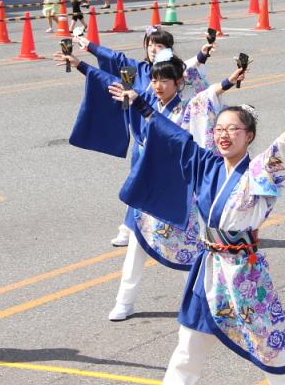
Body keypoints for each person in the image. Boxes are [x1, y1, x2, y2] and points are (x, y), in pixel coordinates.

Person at [116, 87, 285, 385]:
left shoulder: (258, 169)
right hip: (208, 268)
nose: (223, 134)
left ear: (248, 136)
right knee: (188, 346)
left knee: (275, 350)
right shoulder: (204, 164)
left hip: (245, 275)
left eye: (233, 129)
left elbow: (282, 146)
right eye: (219, 128)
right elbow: (174, 137)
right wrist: (140, 103)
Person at [60, 46, 240, 321]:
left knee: (190, 251)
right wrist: (80, 64)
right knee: (136, 245)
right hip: (148, 179)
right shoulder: (145, 97)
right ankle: (125, 301)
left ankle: (203, 303)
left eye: (164, 81)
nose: (157, 86)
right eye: (155, 80)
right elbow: (112, 84)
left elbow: (211, 94)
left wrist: (230, 79)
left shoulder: (189, 108)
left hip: (177, 186)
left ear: (178, 82)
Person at [74, 26, 213, 247]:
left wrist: (203, 56)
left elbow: (189, 69)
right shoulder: (137, 69)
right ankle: (129, 228)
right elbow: (114, 59)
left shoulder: (172, 74)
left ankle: (184, 226)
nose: (153, 49)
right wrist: (88, 46)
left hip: (167, 142)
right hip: (143, 143)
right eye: (150, 45)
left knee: (174, 186)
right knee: (138, 183)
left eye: (159, 46)